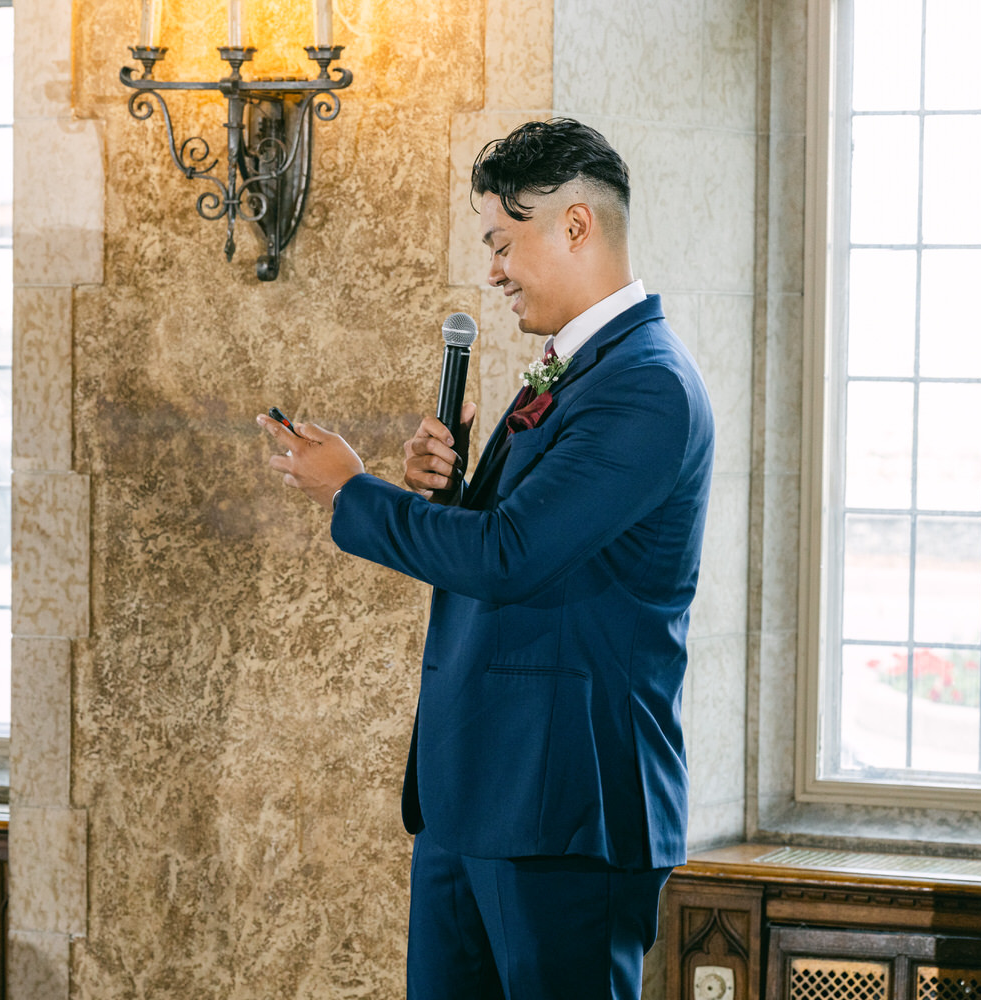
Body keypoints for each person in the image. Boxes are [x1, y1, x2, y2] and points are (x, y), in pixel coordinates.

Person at [257, 119, 714, 998]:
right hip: (476, 796)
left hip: (566, 816)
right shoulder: (576, 368)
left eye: (503, 243)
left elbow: (511, 558)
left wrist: (351, 493)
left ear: (575, 226)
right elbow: (526, 544)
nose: (493, 270)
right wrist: (450, 495)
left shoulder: (646, 384)